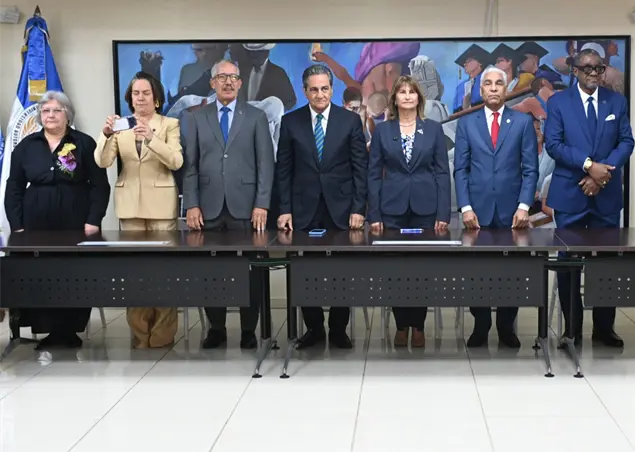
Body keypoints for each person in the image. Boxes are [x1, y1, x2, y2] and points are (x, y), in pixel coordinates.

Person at [4, 91, 110, 349]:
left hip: (76, 221)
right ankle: (49, 329)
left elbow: (99, 186)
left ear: (67, 115)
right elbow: (14, 187)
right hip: (35, 223)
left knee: (74, 273)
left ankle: (70, 329)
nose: (50, 115)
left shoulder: (84, 144)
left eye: (56, 110)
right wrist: (17, 225)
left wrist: (94, 219)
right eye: (45, 111)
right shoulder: (27, 146)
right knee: (41, 274)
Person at [544, 48, 634, 348]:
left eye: (599, 68)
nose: (594, 73)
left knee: (606, 263)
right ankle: (571, 329)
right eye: (587, 68)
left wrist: (602, 174)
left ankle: (604, 329)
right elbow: (554, 145)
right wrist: (588, 166)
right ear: (575, 71)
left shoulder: (616, 101)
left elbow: (626, 141)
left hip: (606, 195)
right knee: (569, 262)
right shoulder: (558, 102)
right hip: (571, 194)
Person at [182, 59, 274, 349]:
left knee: (251, 271)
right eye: (222, 77)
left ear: (240, 82)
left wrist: (262, 204)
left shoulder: (256, 116)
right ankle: (217, 329)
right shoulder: (197, 117)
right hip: (207, 209)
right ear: (212, 83)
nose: (228, 82)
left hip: (246, 208)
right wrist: (191, 204)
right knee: (211, 272)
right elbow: (190, 165)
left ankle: (248, 330)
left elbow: (266, 164)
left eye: (233, 77)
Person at [276, 64, 368, 350]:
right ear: (305, 91)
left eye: (325, 88)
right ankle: (314, 328)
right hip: (303, 209)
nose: (320, 94)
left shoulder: (349, 121)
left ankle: (338, 329)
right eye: (314, 89)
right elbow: (284, 170)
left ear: (332, 89)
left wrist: (359, 208)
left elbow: (360, 169)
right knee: (306, 270)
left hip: (341, 208)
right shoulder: (290, 122)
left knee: (342, 270)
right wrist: (284, 209)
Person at [95, 71, 184, 349]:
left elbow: (176, 161)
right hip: (129, 205)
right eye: (136, 93)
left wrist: (152, 139)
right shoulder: (121, 125)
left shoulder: (169, 124)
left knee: (163, 270)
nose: (141, 98)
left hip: (161, 206)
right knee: (134, 270)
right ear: (130, 98)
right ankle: (140, 334)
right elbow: (102, 161)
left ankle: (162, 334)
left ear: (156, 99)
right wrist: (106, 135)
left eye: (146, 93)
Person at [453, 66, 538, 349]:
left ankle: (505, 326)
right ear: (481, 90)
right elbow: (461, 169)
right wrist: (465, 207)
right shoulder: (467, 123)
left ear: (505, 88)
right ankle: (481, 325)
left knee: (511, 271)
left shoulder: (522, 122)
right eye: (487, 84)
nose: (492, 88)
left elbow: (530, 169)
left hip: (513, 213)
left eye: (498, 83)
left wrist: (524, 206)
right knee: (477, 271)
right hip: (476, 212)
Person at [368, 75, 450, 348]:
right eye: (401, 92)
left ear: (418, 98)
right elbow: (373, 175)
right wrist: (374, 214)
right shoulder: (382, 131)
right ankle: (401, 324)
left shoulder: (433, 129)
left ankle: (419, 325)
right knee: (395, 269)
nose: (406, 96)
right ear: (394, 98)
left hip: (425, 209)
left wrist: (443, 214)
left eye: (411, 92)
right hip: (392, 209)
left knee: (422, 269)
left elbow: (442, 172)